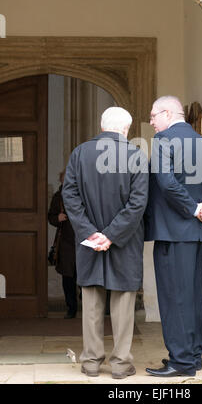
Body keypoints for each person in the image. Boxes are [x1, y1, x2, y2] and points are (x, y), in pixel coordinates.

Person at [62, 107, 149, 379]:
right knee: (123, 305)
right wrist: (111, 234)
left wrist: (90, 233)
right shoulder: (136, 154)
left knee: (91, 304)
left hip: (89, 242)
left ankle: (90, 363)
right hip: (125, 240)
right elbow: (138, 203)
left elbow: (70, 195)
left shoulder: (80, 153)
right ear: (127, 129)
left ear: (101, 125)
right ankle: (121, 365)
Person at [144, 95, 202, 378]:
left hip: (173, 232)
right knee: (192, 297)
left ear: (167, 113)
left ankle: (181, 362)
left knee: (174, 297)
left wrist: (192, 209)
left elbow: (165, 181)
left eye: (153, 116)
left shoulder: (164, 140)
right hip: (198, 231)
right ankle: (192, 357)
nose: (151, 122)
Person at [48, 170, 78, 319]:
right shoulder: (58, 197)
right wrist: (57, 217)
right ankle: (71, 308)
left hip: (83, 241)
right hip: (66, 243)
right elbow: (51, 216)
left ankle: (90, 307)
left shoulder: (83, 194)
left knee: (85, 277)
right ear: (61, 181)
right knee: (68, 278)